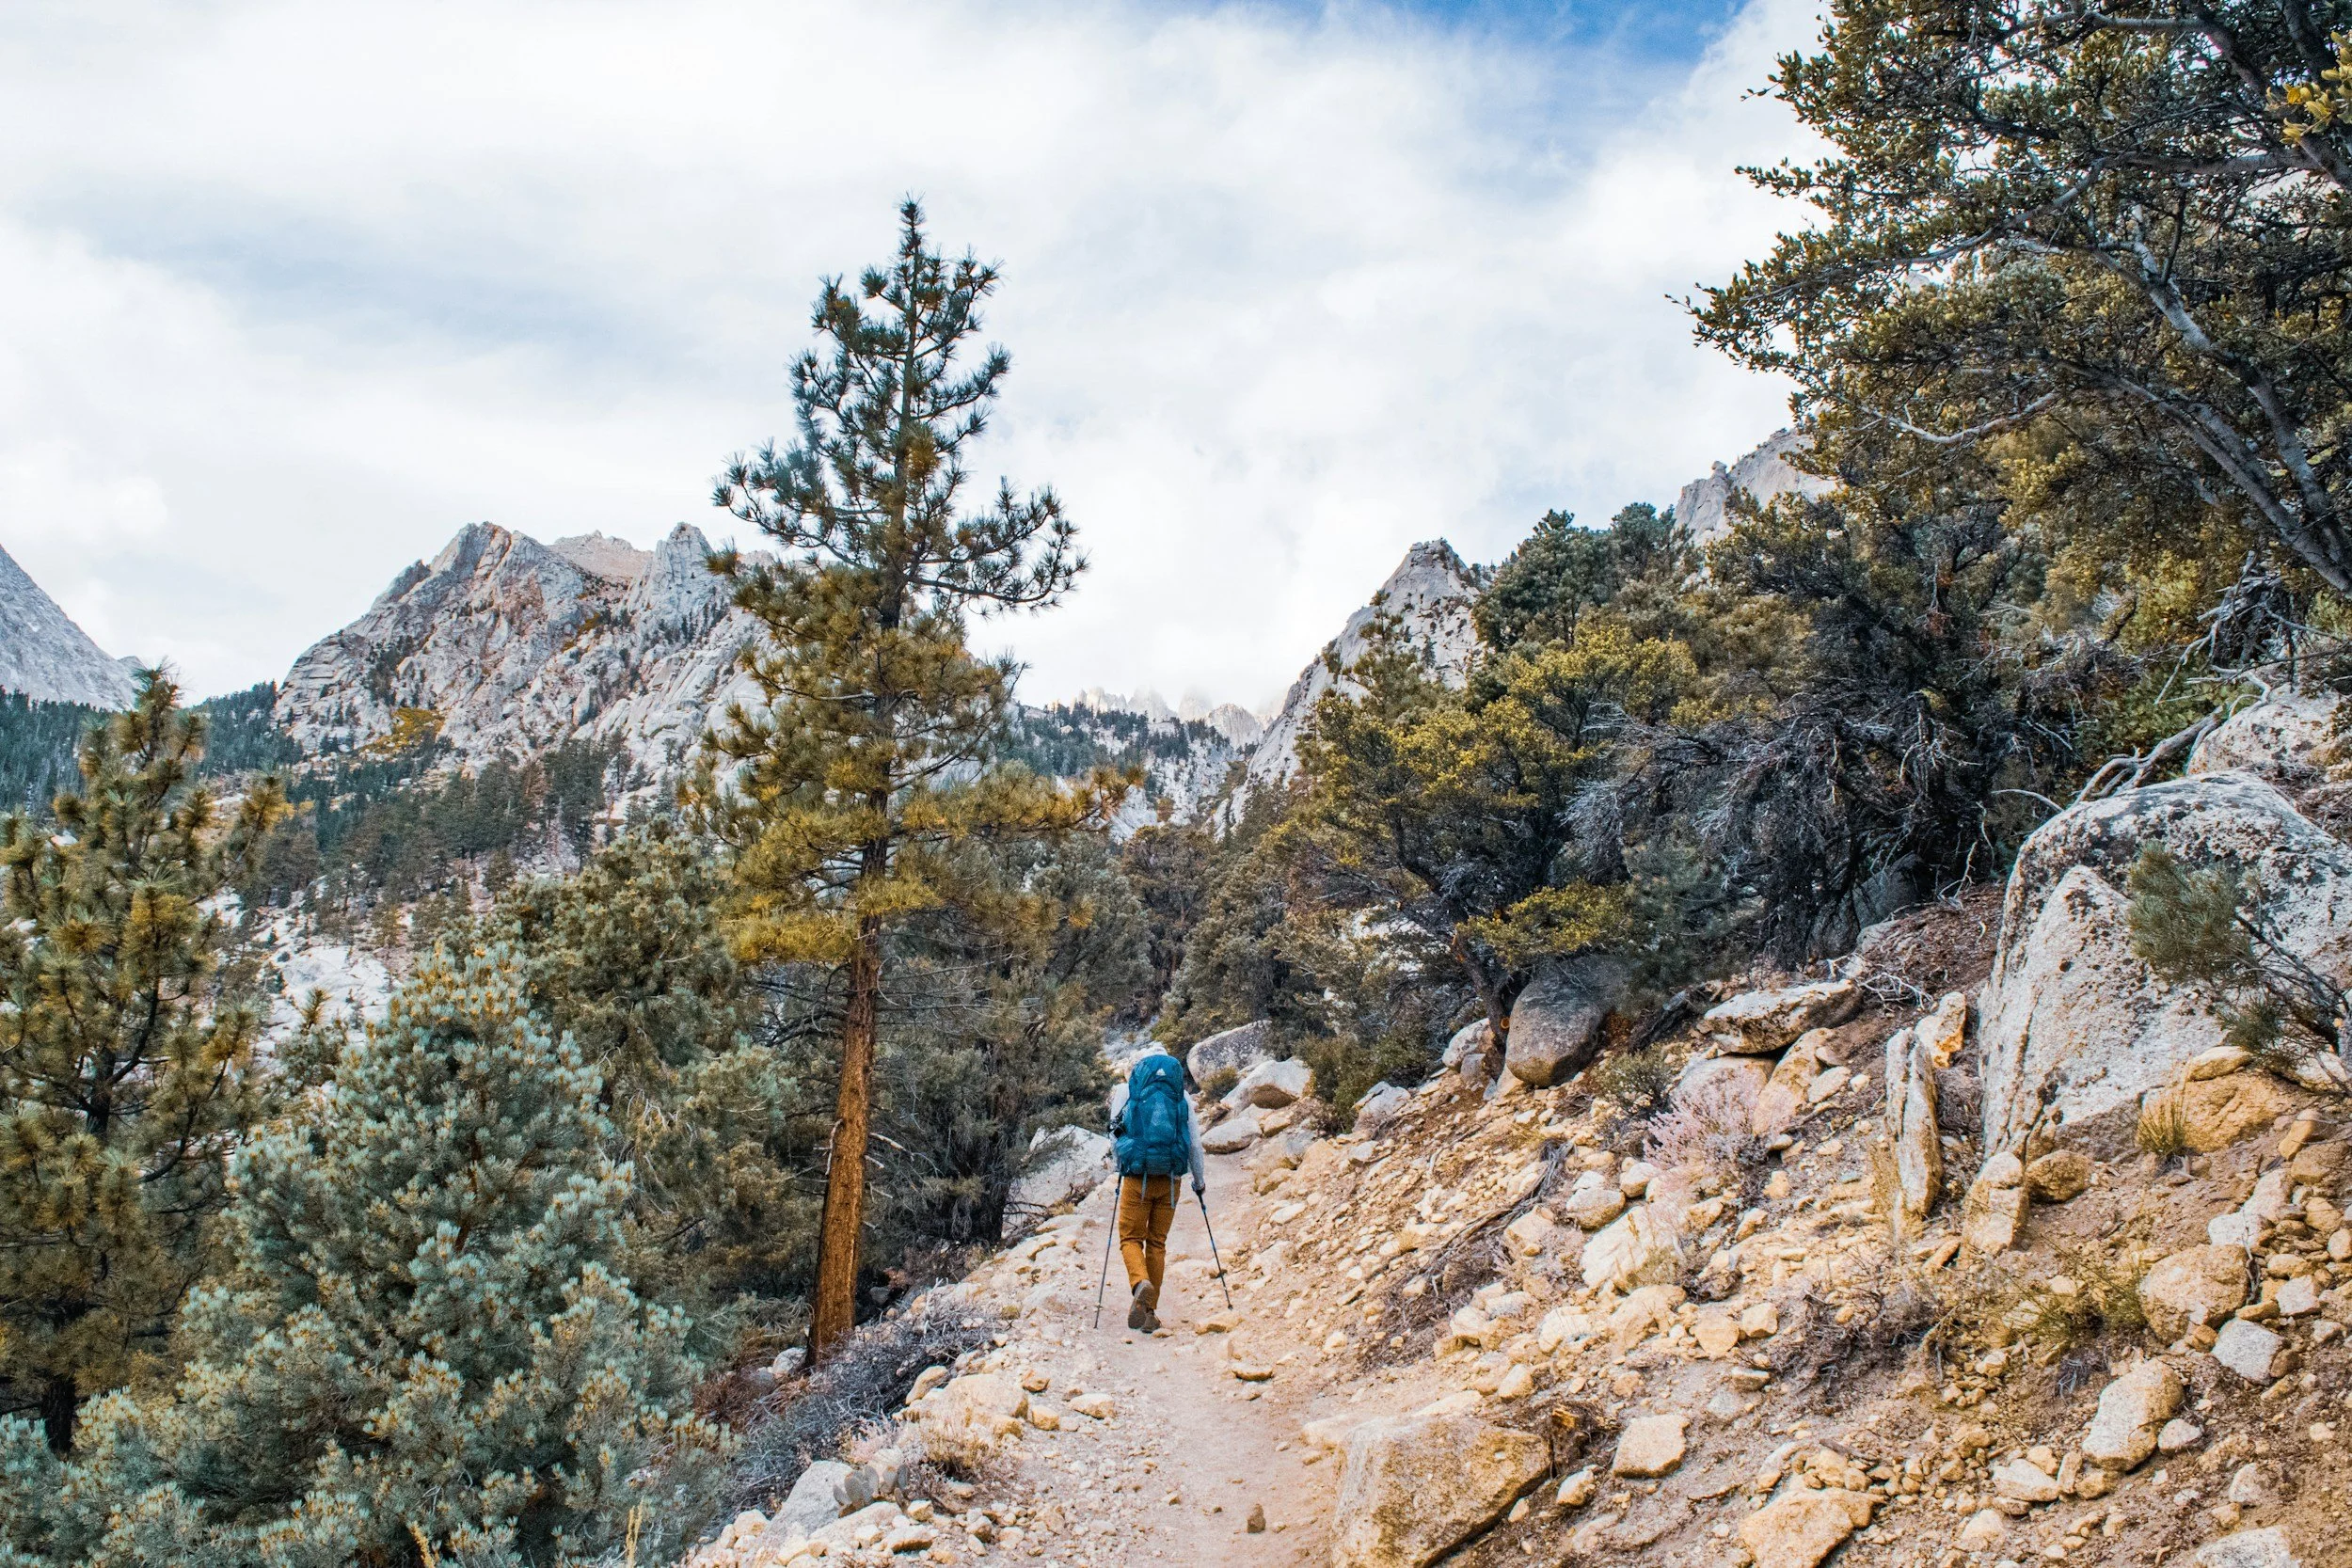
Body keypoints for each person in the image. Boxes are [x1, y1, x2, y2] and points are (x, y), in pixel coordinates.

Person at [1106, 1043, 1207, 1332]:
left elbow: (1115, 1137)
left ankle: (1140, 1282)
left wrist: (1120, 1168)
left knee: (1130, 1239)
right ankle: (1150, 1313)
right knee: (1157, 1243)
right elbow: (1195, 1145)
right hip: (1171, 1181)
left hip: (1138, 1176)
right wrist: (1198, 1182)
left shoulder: (1127, 1091)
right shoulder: (1182, 1095)